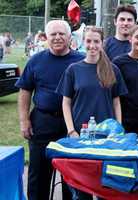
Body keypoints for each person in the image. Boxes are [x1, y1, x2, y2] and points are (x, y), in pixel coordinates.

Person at [15, 20, 85, 200]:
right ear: (46, 38)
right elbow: (24, 91)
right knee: (38, 176)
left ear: (70, 37)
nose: (57, 37)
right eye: (53, 34)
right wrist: (24, 120)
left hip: (72, 125)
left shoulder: (81, 61)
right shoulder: (36, 61)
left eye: (62, 34)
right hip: (43, 122)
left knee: (74, 178)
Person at [56, 26, 127, 199]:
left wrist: (119, 130)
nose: (92, 45)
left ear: (102, 43)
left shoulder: (112, 69)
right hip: (80, 135)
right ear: (83, 42)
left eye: (96, 41)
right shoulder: (73, 69)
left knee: (106, 188)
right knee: (82, 189)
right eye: (89, 41)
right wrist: (71, 130)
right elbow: (66, 103)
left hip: (107, 138)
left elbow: (117, 102)